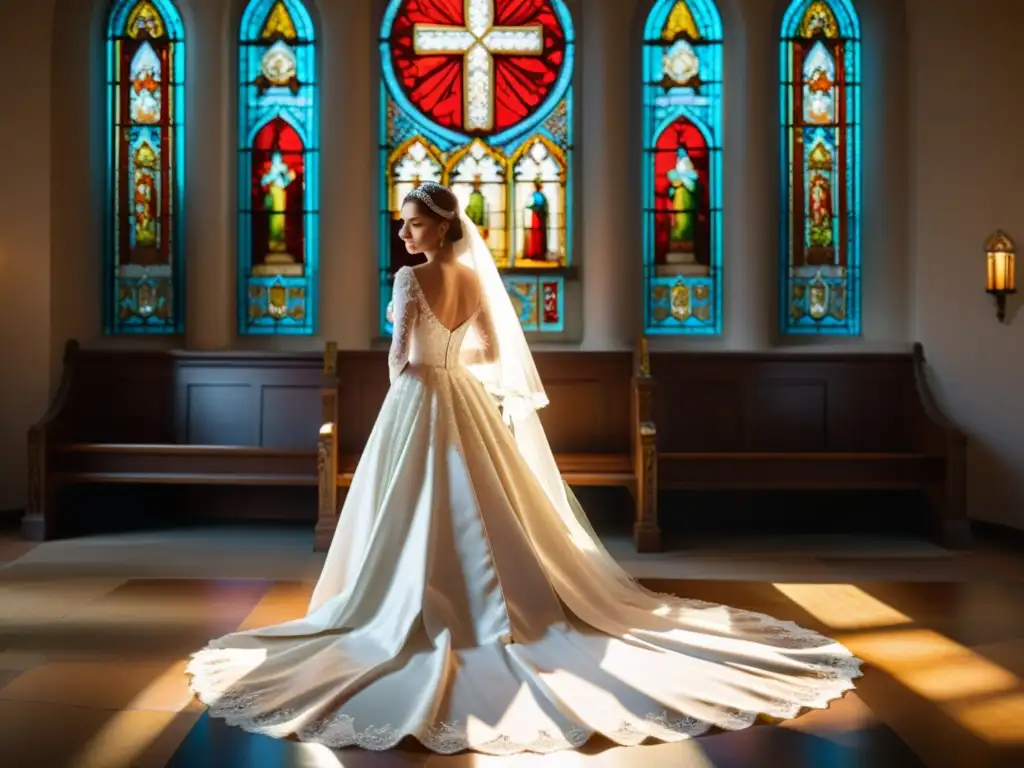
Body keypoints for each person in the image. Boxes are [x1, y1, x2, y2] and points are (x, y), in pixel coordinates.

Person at [186, 182, 861, 756]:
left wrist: (411, 392)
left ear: (441, 225)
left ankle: (408, 607)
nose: (403, 231)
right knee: (486, 507)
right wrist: (453, 376)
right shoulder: (476, 279)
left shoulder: (409, 279)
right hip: (464, 396)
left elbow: (397, 357)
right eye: (403, 222)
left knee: (412, 504)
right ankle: (493, 605)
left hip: (418, 397)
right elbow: (483, 350)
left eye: (413, 222)